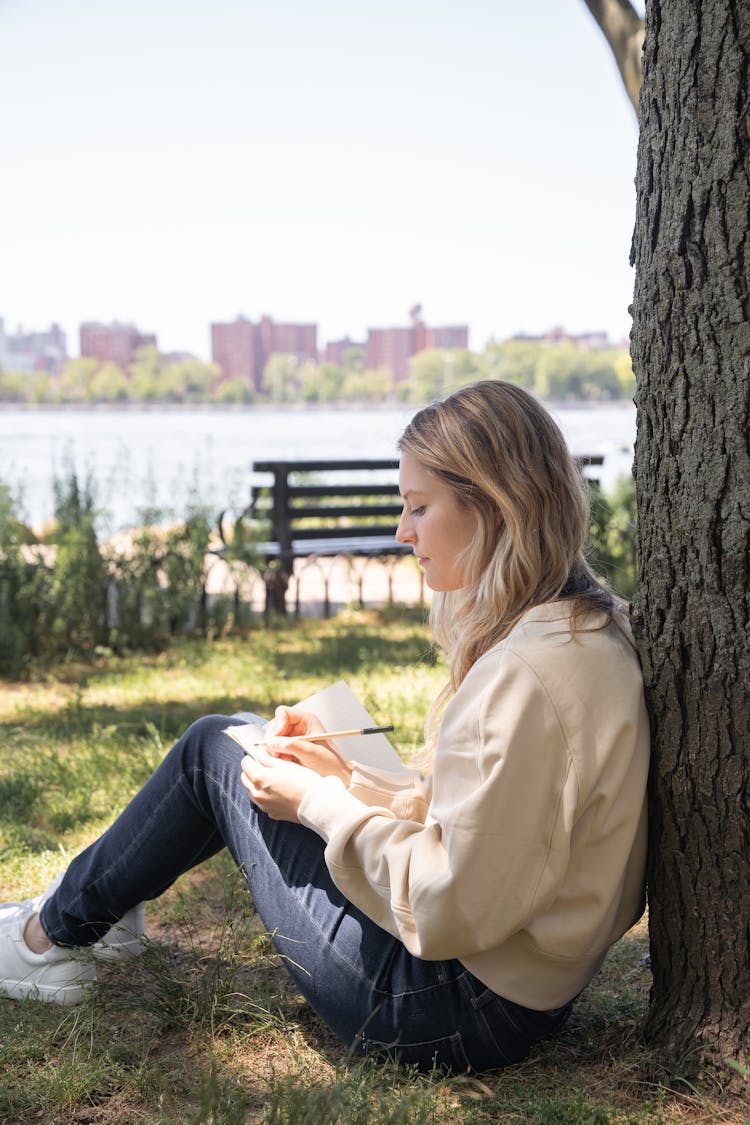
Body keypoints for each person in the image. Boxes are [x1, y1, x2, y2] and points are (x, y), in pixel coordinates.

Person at [0, 381, 649, 1073]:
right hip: (518, 982)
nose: (403, 531)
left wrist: (318, 803)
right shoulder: (585, 629)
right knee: (249, 734)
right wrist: (348, 776)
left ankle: (48, 939)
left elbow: (444, 903)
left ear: (494, 506)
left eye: (420, 507)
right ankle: (102, 903)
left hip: (444, 1006)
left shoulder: (526, 677)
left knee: (212, 752)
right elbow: (498, 835)